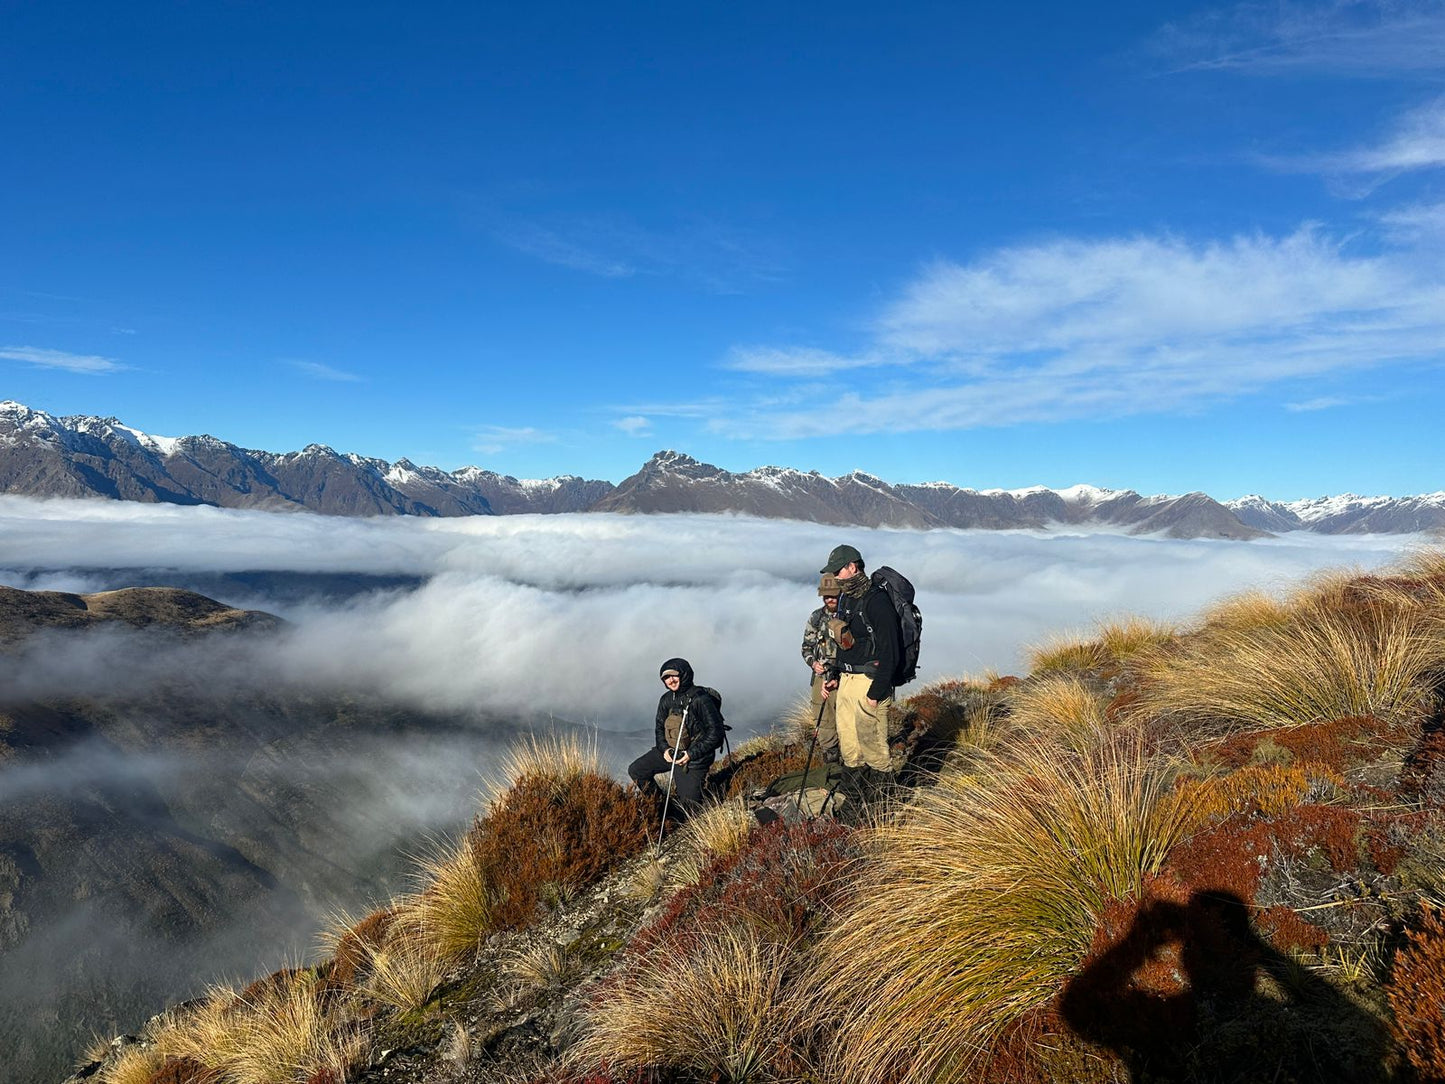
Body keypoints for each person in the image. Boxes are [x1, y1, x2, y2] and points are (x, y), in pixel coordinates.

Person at [819, 544, 902, 795]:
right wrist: (835, 675)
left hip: (869, 683)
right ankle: (854, 803)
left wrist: (875, 694)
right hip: (846, 681)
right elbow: (846, 643)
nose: (835, 577)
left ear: (852, 567)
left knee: (874, 751)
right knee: (850, 750)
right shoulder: (846, 599)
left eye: (838, 571)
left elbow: (891, 652)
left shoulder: (877, 601)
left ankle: (883, 804)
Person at [627, 657, 725, 817]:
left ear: (684, 674)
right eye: (666, 677)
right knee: (637, 770)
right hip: (671, 751)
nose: (670, 680)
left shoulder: (700, 699)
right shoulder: (666, 699)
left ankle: (680, 812)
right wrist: (664, 749)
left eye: (674, 675)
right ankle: (661, 808)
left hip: (694, 758)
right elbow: (659, 728)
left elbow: (716, 732)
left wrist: (691, 754)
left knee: (689, 812)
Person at [800, 574, 842, 763]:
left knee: (847, 718)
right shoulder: (816, 618)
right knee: (823, 719)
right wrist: (813, 663)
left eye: (833, 595)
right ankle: (831, 760)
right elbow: (806, 647)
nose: (830, 599)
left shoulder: (849, 614)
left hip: (845, 676)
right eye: (827, 596)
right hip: (821, 676)